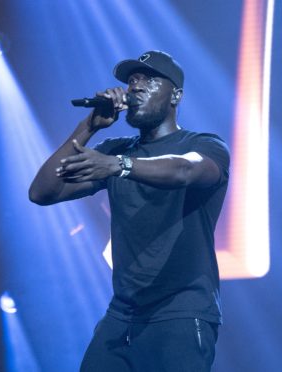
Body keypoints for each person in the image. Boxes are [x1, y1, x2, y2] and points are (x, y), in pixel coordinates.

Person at [29, 50, 230, 372]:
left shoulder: (205, 145)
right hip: (121, 316)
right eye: (132, 80)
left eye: (148, 80)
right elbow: (42, 192)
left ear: (176, 95)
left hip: (180, 312)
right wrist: (89, 127)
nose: (135, 87)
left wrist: (119, 166)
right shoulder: (115, 149)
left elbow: (185, 171)